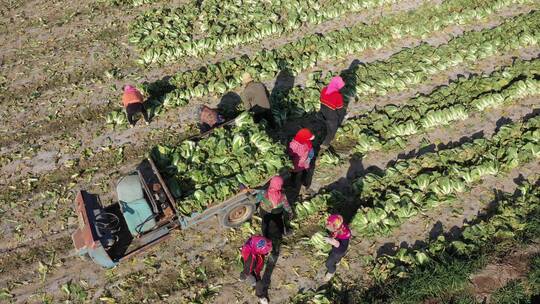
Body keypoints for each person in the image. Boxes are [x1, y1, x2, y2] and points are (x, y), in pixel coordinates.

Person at [256, 176, 294, 246]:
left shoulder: (263, 192)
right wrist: (290, 212)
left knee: (265, 223)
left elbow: (257, 200)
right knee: (278, 223)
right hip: (277, 213)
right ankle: (282, 233)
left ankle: (265, 237)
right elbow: (286, 206)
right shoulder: (282, 195)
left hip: (265, 212)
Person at [240, 235, 272, 304]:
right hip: (251, 268)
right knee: (257, 280)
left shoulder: (254, 243)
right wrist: (244, 275)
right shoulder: (251, 259)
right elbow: (248, 269)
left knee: (254, 276)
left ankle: (255, 285)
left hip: (253, 257)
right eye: (265, 251)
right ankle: (260, 296)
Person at [319, 76, 346, 148]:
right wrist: (340, 119)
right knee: (332, 130)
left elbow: (321, 99)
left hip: (322, 111)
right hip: (331, 115)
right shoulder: (338, 96)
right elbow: (339, 108)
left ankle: (320, 136)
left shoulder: (324, 89)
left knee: (323, 125)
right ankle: (325, 143)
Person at [323, 214, 351, 282]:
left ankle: (331, 272)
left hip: (337, 252)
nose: (327, 226)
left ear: (335, 227)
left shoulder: (341, 235)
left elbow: (337, 244)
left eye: (329, 226)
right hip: (342, 251)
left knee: (328, 263)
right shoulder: (341, 227)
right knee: (338, 257)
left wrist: (330, 241)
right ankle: (338, 261)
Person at [288, 128, 316, 193]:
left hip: (296, 163)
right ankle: (304, 183)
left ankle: (293, 184)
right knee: (305, 172)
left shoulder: (293, 144)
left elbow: (290, 153)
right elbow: (311, 152)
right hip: (305, 162)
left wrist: (290, 158)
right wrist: (309, 159)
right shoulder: (308, 143)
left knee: (294, 173)